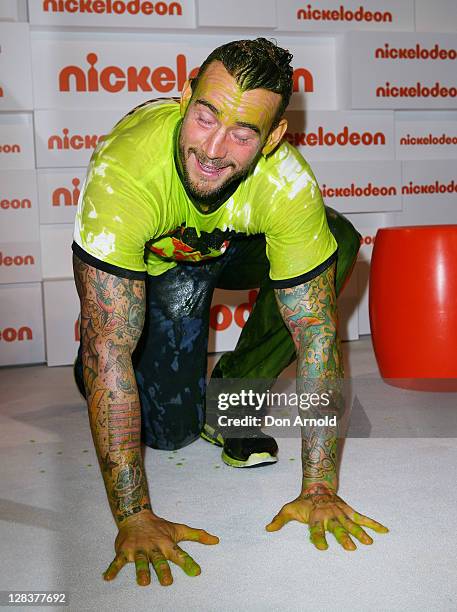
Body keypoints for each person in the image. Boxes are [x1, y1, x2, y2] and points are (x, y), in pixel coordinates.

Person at [72, 38, 389, 588]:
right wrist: (134, 516)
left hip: (231, 245)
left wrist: (319, 486)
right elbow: (110, 346)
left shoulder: (286, 183)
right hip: (163, 262)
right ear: (185, 93)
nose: (215, 148)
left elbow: (316, 336)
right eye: (205, 117)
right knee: (169, 431)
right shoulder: (125, 171)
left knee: (333, 241)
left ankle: (234, 391)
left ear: (273, 138)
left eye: (244, 134)